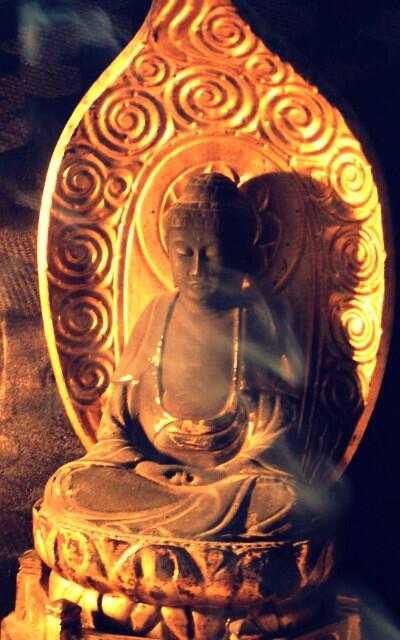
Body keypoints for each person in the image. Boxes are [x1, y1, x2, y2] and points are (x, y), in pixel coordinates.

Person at [42, 173, 304, 540]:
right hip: (148, 478)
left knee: (284, 502)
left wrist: (221, 474)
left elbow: (275, 434)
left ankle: (165, 531)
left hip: (228, 483)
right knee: (69, 486)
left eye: (212, 255)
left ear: (240, 257)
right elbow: (115, 427)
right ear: (167, 253)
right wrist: (143, 467)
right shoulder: (155, 314)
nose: (197, 270)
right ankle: (190, 529)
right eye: (184, 254)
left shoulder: (257, 320)